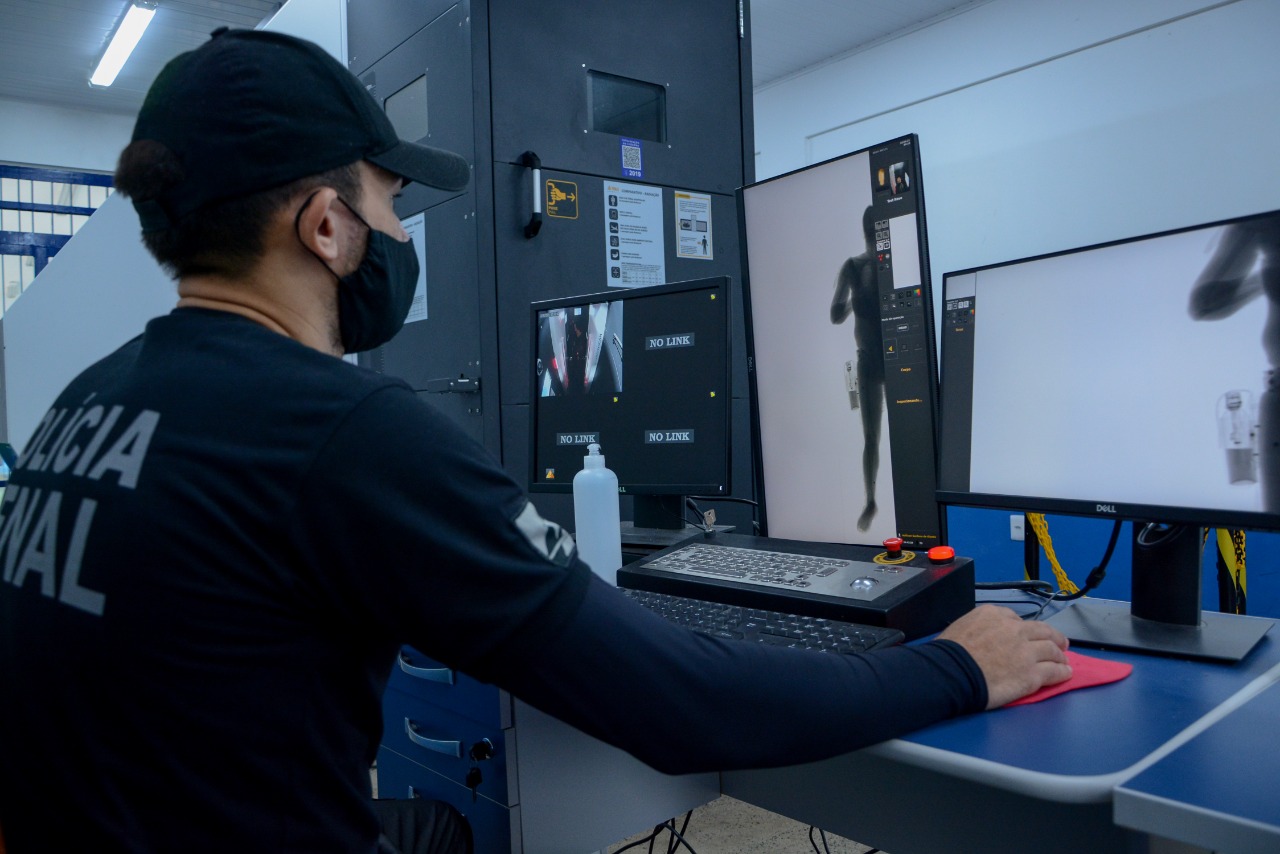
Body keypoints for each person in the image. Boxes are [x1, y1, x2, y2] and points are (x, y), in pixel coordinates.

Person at [0, 29, 1072, 854]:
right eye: (387, 199)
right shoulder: (343, 433)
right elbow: (679, 707)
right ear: (324, 226)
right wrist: (950, 667)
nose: (396, 232)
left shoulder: (84, 402)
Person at [1187, 212, 1280, 511]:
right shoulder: (1262, 218)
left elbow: (1206, 303)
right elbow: (1205, 304)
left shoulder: (1261, 219)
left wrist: (1264, 278)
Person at [831, 205, 887, 532]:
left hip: (891, 358)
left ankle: (873, 498)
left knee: (885, 435)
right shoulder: (853, 266)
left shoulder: (886, 265)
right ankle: (870, 498)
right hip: (868, 361)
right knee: (871, 436)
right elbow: (835, 314)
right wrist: (856, 299)